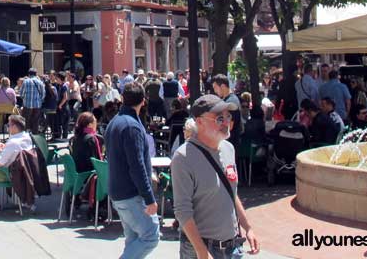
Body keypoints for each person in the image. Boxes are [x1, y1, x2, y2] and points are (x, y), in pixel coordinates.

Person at [172, 95, 260, 259]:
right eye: (219, 118)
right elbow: (183, 211)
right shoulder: (183, 157)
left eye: (228, 116)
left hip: (233, 246)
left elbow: (231, 192)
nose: (226, 122)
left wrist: (248, 227)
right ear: (199, 122)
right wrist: (201, 252)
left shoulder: (228, 148)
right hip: (201, 248)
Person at [105, 82, 159, 259]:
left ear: (122, 98)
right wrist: (149, 197)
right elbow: (137, 166)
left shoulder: (114, 123)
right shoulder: (131, 126)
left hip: (118, 191)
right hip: (131, 193)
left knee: (134, 239)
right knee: (151, 236)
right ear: (143, 101)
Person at [211, 74, 243, 149]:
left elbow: (229, 126)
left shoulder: (231, 102)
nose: (215, 91)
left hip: (230, 143)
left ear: (222, 86)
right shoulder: (226, 100)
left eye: (215, 87)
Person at [20, 68, 44, 134]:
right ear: (36, 74)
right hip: (37, 105)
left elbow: (21, 93)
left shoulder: (25, 81)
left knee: (26, 121)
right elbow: (43, 94)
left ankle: (26, 135)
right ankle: (35, 136)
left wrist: (25, 99)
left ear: (28, 74)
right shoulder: (40, 82)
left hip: (27, 105)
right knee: (35, 122)